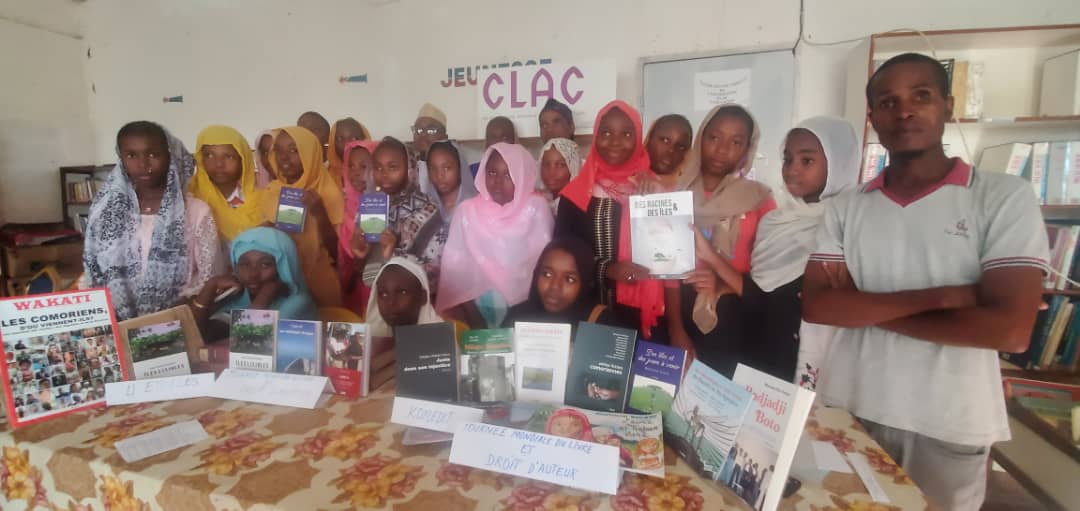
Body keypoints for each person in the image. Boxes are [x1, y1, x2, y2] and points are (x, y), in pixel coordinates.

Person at [802, 53, 1048, 511]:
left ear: (948, 106)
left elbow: (1009, 331)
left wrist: (861, 307)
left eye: (921, 96)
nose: (905, 111)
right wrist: (945, 298)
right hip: (851, 406)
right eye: (888, 102)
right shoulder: (846, 207)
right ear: (872, 116)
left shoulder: (1001, 197)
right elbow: (818, 306)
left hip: (949, 420)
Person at [664, 104, 776, 373]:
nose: (723, 149)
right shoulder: (675, 195)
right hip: (682, 307)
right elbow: (667, 269)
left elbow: (766, 280)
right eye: (714, 137)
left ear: (747, 148)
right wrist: (676, 330)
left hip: (736, 317)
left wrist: (720, 284)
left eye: (736, 142)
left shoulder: (760, 200)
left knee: (722, 403)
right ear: (701, 137)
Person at [82, 121, 223, 320]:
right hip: (115, 322)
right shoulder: (104, 212)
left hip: (179, 320)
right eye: (131, 155)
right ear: (121, 158)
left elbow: (208, 276)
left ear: (170, 156)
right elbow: (92, 270)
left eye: (153, 154)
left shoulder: (195, 211)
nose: (142, 164)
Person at [555, 100, 664, 339]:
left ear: (637, 139)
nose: (615, 142)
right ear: (595, 137)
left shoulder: (654, 190)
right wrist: (607, 269)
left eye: (626, 133)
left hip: (645, 317)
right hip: (590, 313)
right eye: (606, 133)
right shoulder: (575, 196)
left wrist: (657, 193)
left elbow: (671, 249)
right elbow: (561, 256)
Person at [437, 143, 554, 328]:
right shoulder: (467, 211)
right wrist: (474, 319)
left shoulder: (536, 208)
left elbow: (546, 265)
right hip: (475, 310)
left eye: (508, 174)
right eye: (492, 172)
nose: (498, 181)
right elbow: (455, 272)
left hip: (529, 309)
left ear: (522, 176)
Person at [260, 126, 344, 307]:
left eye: (294, 150)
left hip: (319, 284)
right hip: (280, 283)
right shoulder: (272, 191)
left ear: (311, 154)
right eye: (278, 150)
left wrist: (320, 214)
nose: (284, 157)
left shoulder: (328, 192)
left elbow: (339, 253)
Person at [350, 137, 445, 288]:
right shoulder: (370, 206)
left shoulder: (429, 211)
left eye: (393, 167)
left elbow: (435, 274)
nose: (384, 174)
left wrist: (392, 254)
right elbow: (362, 268)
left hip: (413, 302)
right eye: (378, 167)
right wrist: (359, 253)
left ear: (410, 169)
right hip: (375, 297)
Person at [193, 227, 317, 340]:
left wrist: (264, 296)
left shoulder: (298, 301)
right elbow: (199, 336)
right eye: (244, 264)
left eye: (265, 264)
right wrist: (210, 287)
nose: (253, 274)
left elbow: (248, 341)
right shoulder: (239, 299)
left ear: (283, 267)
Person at [502, 237, 626, 337]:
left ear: (585, 283)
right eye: (547, 274)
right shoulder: (516, 317)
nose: (555, 287)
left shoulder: (604, 324)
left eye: (570, 279)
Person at [189, 125, 265, 247]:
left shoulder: (263, 194)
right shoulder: (190, 197)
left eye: (228, 156)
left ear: (243, 160)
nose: (219, 164)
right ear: (200, 159)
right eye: (209, 155)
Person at [337, 139, 387, 316]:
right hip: (350, 290)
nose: (355, 173)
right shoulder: (344, 205)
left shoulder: (387, 203)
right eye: (351, 166)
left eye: (363, 166)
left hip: (380, 288)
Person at [365, 256, 445, 338]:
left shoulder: (441, 339)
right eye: (383, 294)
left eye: (402, 292)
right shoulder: (370, 338)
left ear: (423, 297)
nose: (391, 302)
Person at [644, 114, 693, 190]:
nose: (671, 150)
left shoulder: (689, 189)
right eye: (665, 140)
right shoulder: (628, 183)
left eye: (681, 147)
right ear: (649, 138)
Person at [537, 138, 583, 214]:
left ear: (573, 168)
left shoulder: (577, 206)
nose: (551, 172)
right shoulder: (535, 201)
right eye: (546, 164)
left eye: (560, 165)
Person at [326, 117, 372, 186]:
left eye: (354, 138)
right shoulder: (323, 175)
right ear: (332, 142)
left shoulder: (377, 172)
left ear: (365, 139)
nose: (347, 144)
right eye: (340, 139)